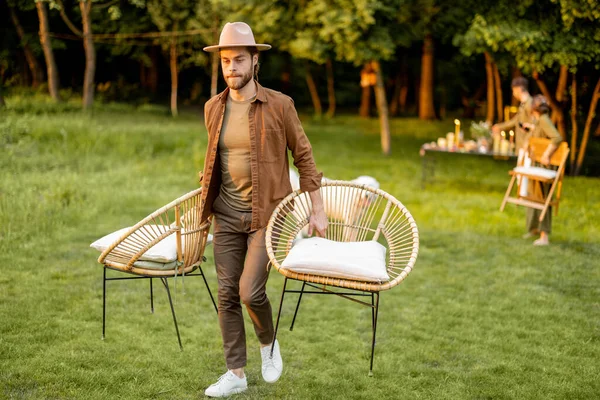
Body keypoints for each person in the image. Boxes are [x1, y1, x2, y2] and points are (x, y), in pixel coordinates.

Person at [199, 22, 328, 397]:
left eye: (239, 59)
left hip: (267, 217)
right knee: (225, 294)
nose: (231, 67)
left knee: (250, 292)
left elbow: (304, 157)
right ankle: (236, 374)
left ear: (255, 61)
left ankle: (268, 344)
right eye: (225, 61)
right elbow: (213, 162)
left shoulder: (280, 105)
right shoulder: (213, 108)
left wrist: (317, 208)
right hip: (226, 215)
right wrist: (202, 204)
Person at [520, 95, 563, 246]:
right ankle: (534, 229)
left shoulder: (544, 119)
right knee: (533, 196)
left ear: (534, 109)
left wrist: (546, 154)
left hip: (543, 167)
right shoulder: (539, 120)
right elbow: (541, 135)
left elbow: (557, 138)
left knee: (542, 198)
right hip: (536, 164)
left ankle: (544, 236)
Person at [492, 77, 533, 151]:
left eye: (514, 90)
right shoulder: (523, 104)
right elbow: (516, 120)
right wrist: (500, 126)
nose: (513, 94)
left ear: (519, 89)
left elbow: (535, 127)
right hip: (521, 145)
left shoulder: (530, 104)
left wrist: (527, 142)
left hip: (527, 146)